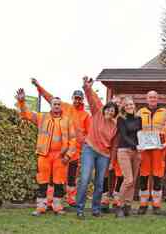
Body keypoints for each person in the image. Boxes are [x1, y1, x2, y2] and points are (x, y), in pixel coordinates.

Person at [15, 88, 77, 216]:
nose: (57, 106)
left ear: (61, 106)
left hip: (60, 156)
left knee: (59, 182)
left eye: (59, 104)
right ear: (51, 105)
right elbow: (26, 114)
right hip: (44, 155)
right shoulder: (42, 117)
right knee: (42, 181)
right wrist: (21, 102)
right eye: (54, 104)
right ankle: (41, 207)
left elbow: (73, 140)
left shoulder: (67, 120)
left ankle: (57, 207)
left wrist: (68, 156)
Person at [31, 78, 90, 207]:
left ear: (83, 100)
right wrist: (38, 86)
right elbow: (49, 97)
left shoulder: (86, 115)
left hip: (75, 152)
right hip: (60, 152)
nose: (77, 100)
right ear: (72, 98)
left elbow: (88, 134)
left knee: (71, 178)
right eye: (75, 98)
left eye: (80, 98)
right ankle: (51, 201)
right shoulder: (65, 107)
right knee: (55, 177)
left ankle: (71, 199)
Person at [75, 77, 119, 219]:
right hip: (90, 149)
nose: (110, 112)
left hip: (104, 155)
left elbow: (113, 146)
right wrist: (87, 88)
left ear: (115, 113)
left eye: (113, 111)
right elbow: (91, 99)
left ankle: (95, 209)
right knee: (85, 178)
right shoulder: (97, 113)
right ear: (105, 109)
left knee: (100, 183)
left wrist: (112, 162)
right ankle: (80, 209)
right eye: (109, 109)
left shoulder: (114, 126)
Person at [137, 91, 166, 215]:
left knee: (158, 175)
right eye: (150, 97)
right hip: (144, 149)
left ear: (158, 98)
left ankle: (156, 205)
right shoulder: (140, 112)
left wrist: (164, 139)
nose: (152, 99)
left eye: (155, 97)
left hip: (158, 148)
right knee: (144, 175)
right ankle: (143, 204)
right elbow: (135, 129)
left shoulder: (165, 113)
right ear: (147, 99)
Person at [115, 97, 142, 218]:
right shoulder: (121, 119)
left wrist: (142, 145)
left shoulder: (139, 119)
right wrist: (136, 145)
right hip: (124, 150)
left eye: (131, 104)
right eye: (127, 105)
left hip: (136, 152)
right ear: (123, 107)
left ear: (134, 105)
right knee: (128, 179)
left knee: (133, 181)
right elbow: (124, 136)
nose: (130, 106)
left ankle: (127, 205)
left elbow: (140, 135)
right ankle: (119, 206)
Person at [101, 96, 124, 213]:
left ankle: (116, 197)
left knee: (120, 174)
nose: (117, 105)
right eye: (115, 103)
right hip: (106, 149)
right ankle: (104, 199)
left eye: (119, 103)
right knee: (104, 174)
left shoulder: (123, 118)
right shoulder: (105, 118)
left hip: (120, 150)